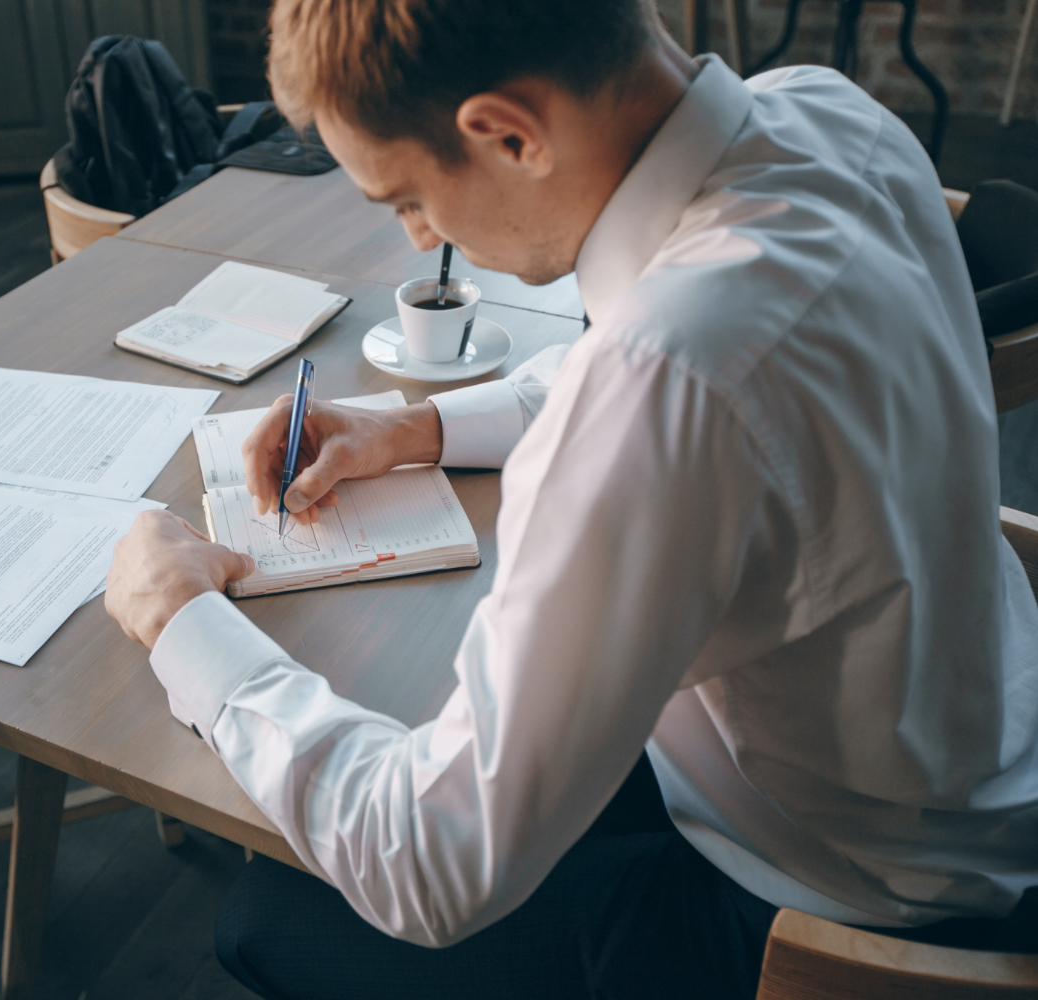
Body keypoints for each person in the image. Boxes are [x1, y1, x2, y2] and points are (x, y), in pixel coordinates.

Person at [103, 0, 1038, 996]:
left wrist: (181, 621)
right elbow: (678, 357)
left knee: (266, 918)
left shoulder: (667, 379)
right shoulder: (828, 116)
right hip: (974, 760)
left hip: (839, 912)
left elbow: (428, 864)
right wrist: (419, 427)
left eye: (405, 197)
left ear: (510, 134)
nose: (420, 239)